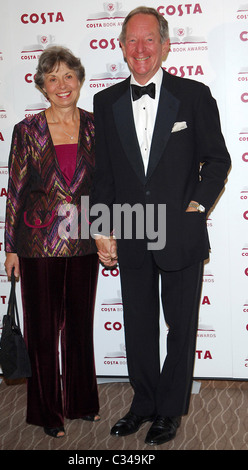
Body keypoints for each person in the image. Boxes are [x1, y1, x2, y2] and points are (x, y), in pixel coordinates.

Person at [90, 7, 231, 446]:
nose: (140, 49)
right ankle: (144, 403)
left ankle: (170, 410)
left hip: (181, 232)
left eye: (149, 39)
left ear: (166, 45)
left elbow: (218, 159)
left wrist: (197, 207)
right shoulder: (106, 101)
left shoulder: (194, 95)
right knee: (138, 323)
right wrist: (100, 227)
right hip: (130, 231)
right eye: (132, 40)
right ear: (121, 47)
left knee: (181, 325)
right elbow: (104, 174)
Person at [4, 46, 100, 438]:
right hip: (38, 245)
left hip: (83, 244)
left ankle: (81, 401)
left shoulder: (97, 126)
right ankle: (47, 411)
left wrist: (107, 233)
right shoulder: (27, 130)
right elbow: (15, 191)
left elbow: (106, 188)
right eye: (53, 78)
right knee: (43, 331)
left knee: (80, 326)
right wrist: (10, 246)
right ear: (42, 85)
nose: (62, 85)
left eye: (69, 76)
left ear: (80, 81)